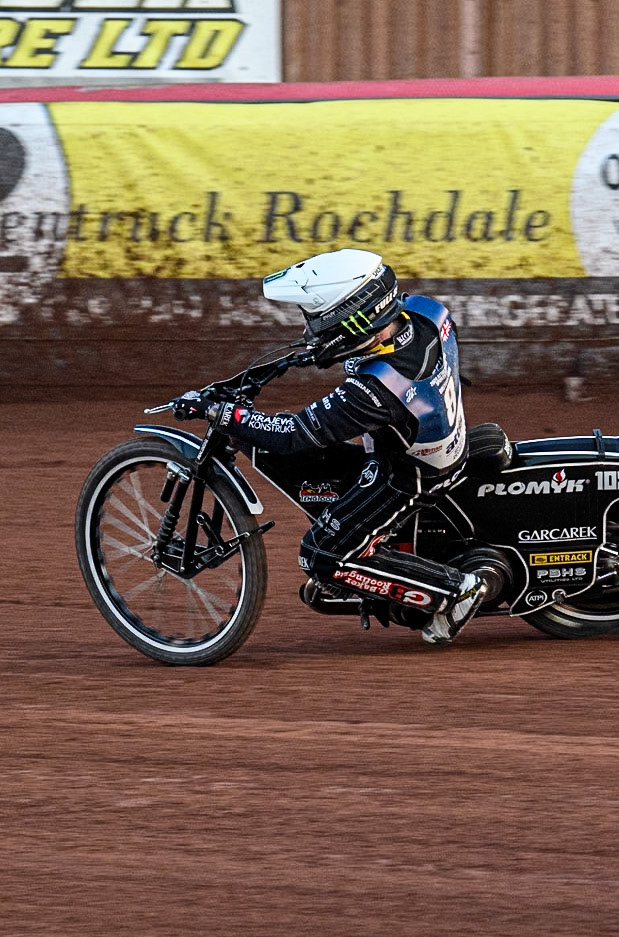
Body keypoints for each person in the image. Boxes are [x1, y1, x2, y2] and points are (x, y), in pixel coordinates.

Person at [174, 248, 493, 645]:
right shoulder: (427, 313)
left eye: (318, 320)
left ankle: (455, 591)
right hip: (426, 438)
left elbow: (294, 433)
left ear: (355, 319)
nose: (311, 330)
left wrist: (222, 415)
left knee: (321, 556)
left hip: (409, 475)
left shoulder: (377, 389)